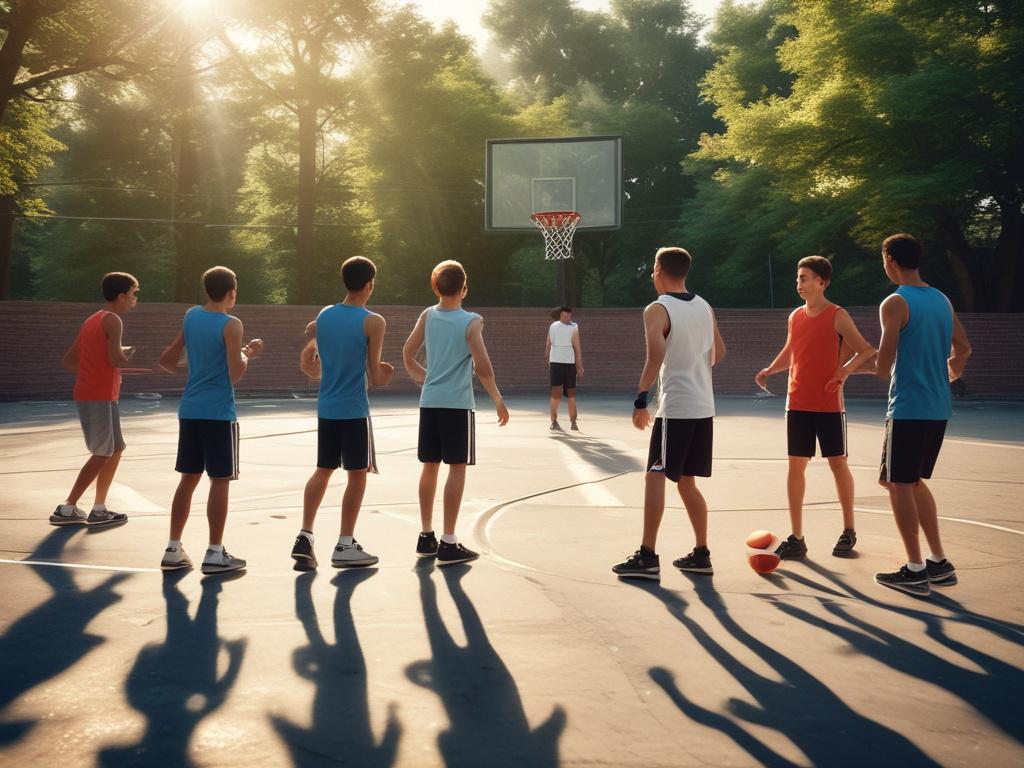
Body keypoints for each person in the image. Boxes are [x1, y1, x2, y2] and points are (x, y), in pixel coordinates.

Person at [612, 247, 726, 580]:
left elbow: (655, 357)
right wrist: (694, 364)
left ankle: (647, 556)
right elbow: (719, 351)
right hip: (704, 406)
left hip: (677, 407)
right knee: (686, 482)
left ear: (659, 270)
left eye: (652, 269)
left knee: (655, 476)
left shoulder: (658, 309)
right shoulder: (705, 306)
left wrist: (641, 398)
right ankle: (701, 553)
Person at [755, 256, 876, 558]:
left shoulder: (837, 315)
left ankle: (849, 531)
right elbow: (791, 352)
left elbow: (866, 350)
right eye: (798, 278)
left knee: (838, 464)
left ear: (822, 282)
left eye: (805, 278)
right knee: (796, 467)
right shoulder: (795, 316)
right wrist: (769, 370)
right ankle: (797, 538)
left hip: (829, 405)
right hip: (797, 403)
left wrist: (843, 372)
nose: (800, 283)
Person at [872, 234, 971, 596]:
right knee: (908, 481)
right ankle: (939, 563)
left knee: (899, 484)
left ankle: (915, 569)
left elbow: (883, 366)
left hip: (909, 406)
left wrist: (850, 367)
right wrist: (949, 371)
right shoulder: (941, 299)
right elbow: (964, 348)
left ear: (891, 260)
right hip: (937, 407)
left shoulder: (895, 302)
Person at [156, 266, 264, 575]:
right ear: (232, 292)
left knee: (187, 479)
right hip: (218, 412)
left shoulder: (191, 315)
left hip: (190, 409)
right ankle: (215, 552)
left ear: (207, 290)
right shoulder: (232, 324)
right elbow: (235, 373)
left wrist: (208, 366)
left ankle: (173, 548)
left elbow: (169, 358)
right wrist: (247, 355)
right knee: (220, 480)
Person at [402, 260, 509, 566]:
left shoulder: (428, 315)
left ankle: (426, 536)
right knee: (457, 468)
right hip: (457, 405)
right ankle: (449, 541)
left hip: (430, 402)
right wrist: (498, 399)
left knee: (430, 466)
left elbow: (407, 352)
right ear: (464, 289)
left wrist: (423, 376)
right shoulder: (471, 321)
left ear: (435, 287)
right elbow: (483, 365)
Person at [290, 256, 394, 570]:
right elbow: (376, 376)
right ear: (369, 284)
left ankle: (305, 535)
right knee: (357, 476)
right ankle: (345, 543)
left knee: (322, 470)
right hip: (353, 409)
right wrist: (388, 371)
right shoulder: (373, 321)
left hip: (327, 407)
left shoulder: (324, 315)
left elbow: (313, 364)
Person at [51, 272, 140, 527]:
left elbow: (70, 360)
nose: (135, 299)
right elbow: (114, 359)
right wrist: (127, 354)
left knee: (116, 448)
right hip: (98, 394)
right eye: (134, 294)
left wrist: (94, 370)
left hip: (100, 392)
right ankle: (67, 508)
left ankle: (99, 508)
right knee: (102, 452)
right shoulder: (113, 320)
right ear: (121, 296)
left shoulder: (92, 320)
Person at [546, 305, 584, 430]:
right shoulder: (553, 326)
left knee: (571, 394)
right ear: (560, 316)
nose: (568, 317)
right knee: (556, 394)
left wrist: (579, 365)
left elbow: (577, 348)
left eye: (569, 315)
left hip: (569, 363)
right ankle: (554, 421)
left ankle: (573, 422)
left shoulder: (574, 327)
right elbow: (548, 343)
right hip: (555, 362)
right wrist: (548, 359)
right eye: (565, 315)